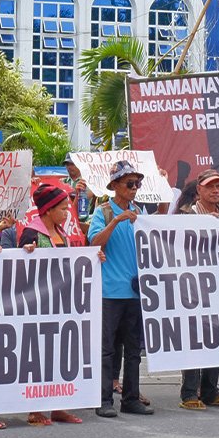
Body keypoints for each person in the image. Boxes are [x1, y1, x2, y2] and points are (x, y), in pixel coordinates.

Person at [8, 188, 83, 426]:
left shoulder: (61, 232)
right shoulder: (31, 233)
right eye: (62, 209)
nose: (65, 213)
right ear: (48, 210)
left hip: (61, 304)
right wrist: (25, 253)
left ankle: (59, 406)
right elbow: (20, 269)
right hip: (38, 305)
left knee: (59, 356)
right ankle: (35, 408)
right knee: (37, 357)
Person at [87, 161, 154, 418]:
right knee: (107, 349)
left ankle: (131, 398)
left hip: (135, 291)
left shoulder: (138, 212)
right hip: (110, 291)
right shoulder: (103, 212)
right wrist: (116, 220)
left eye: (137, 183)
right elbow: (95, 242)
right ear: (115, 185)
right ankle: (103, 399)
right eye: (129, 183)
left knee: (133, 351)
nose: (134, 188)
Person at [175, 170, 219, 412]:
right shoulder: (184, 216)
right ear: (198, 190)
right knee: (194, 340)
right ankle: (189, 392)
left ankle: (211, 390)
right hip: (192, 287)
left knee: (216, 337)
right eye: (210, 186)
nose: (216, 191)